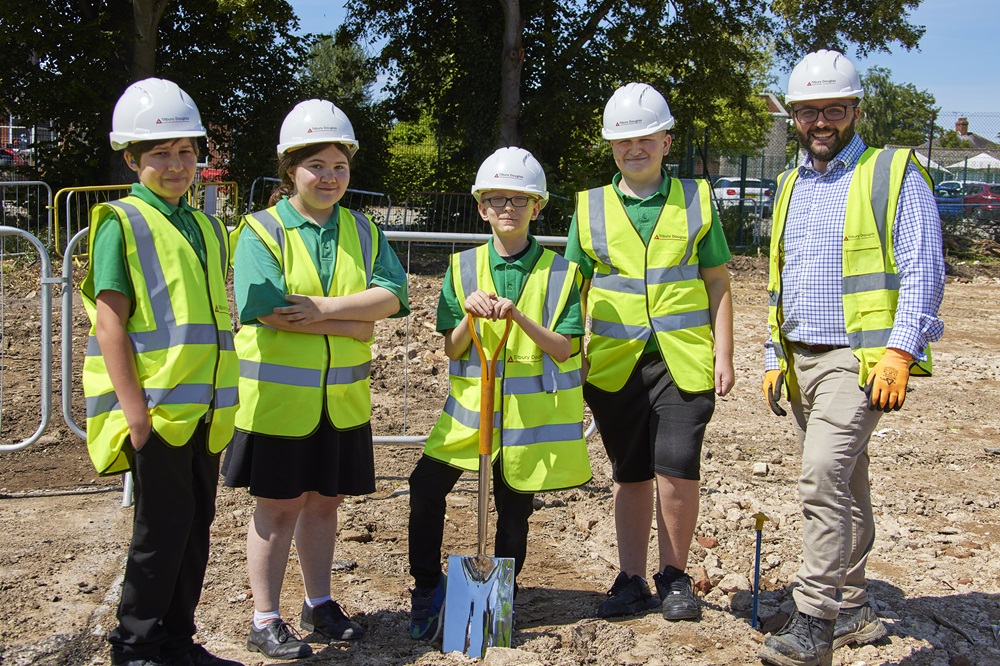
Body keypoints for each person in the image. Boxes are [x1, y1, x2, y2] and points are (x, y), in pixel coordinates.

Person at [757, 50, 944, 666]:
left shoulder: (892, 173)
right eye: (808, 110)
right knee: (848, 479)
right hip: (802, 356)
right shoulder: (789, 182)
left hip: (858, 360)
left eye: (833, 109)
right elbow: (780, 278)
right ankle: (856, 605)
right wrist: (772, 354)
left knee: (821, 476)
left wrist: (901, 349)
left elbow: (923, 270)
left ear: (855, 109)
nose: (819, 122)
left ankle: (815, 622)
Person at [221, 99, 408, 661]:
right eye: (316, 166)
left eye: (339, 166)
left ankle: (319, 603)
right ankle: (265, 616)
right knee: (278, 508)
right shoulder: (261, 230)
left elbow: (394, 297)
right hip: (279, 404)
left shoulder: (363, 229)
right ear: (290, 170)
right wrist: (355, 323)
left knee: (325, 504)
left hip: (341, 404)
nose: (329, 177)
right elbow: (267, 307)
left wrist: (326, 310)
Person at [81, 78, 242, 666]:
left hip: (204, 410)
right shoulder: (119, 222)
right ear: (131, 159)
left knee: (193, 528)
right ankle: (138, 646)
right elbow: (110, 325)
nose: (177, 165)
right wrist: (135, 417)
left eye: (185, 152)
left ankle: (177, 640)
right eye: (159, 154)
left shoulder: (204, 226)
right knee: (158, 535)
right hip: (157, 411)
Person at [564, 82, 735, 622]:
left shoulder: (696, 199)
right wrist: (573, 354)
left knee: (678, 464)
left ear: (666, 140)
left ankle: (675, 576)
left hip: (684, 359)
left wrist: (724, 353)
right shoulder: (590, 207)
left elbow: (718, 283)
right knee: (630, 471)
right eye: (622, 141)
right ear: (611, 147)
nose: (633, 148)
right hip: (615, 365)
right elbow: (574, 291)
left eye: (644, 138)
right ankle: (631, 578)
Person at [407, 147, 591, 640]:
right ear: (482, 207)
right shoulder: (462, 267)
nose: (507, 207)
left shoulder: (561, 273)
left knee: (514, 512)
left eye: (519, 199)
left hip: (529, 421)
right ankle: (426, 586)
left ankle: (498, 596)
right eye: (496, 199)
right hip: (470, 416)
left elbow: (565, 349)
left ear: (537, 206)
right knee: (425, 487)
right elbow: (451, 348)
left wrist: (518, 317)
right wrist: (468, 313)